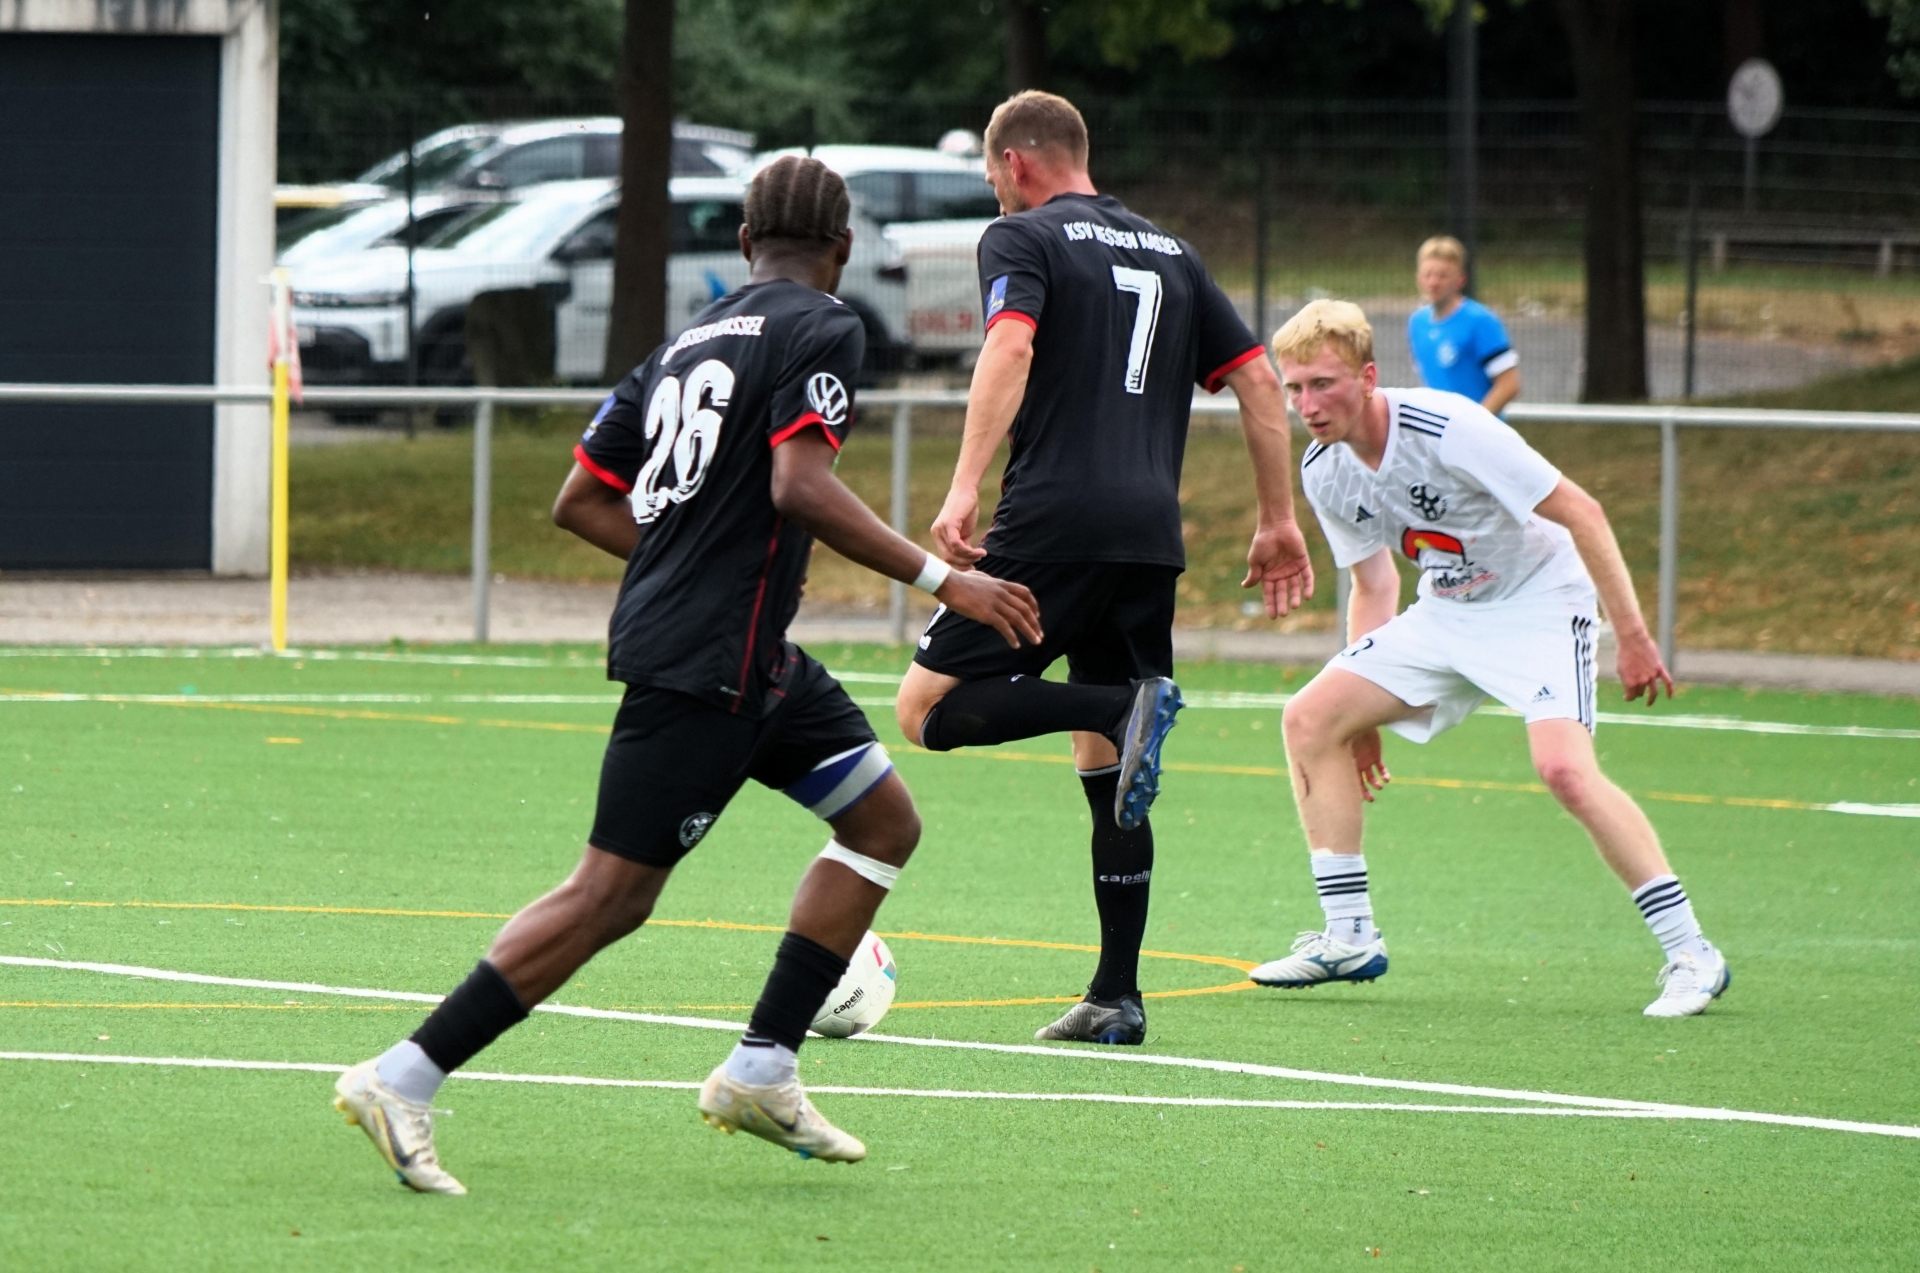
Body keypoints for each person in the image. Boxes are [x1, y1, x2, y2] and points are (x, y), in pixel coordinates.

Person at [331, 157, 1042, 1193]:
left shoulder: (682, 344)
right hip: (707, 659)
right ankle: (403, 1076)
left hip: (757, 659)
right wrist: (947, 581)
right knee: (609, 895)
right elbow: (799, 485)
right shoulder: (824, 324)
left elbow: (581, 498)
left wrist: (687, 557)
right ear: (844, 249)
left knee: (883, 822)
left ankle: (763, 1067)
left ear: (745, 242)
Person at [892, 91, 1315, 1047]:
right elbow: (1257, 379)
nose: (995, 194)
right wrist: (1278, 519)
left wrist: (963, 487)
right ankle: (1116, 996)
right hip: (1147, 534)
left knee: (926, 710)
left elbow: (1009, 342)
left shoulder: (1021, 236)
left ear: (1015, 163)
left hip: (1051, 523)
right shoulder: (1174, 251)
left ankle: (1117, 709)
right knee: (1110, 764)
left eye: (992, 178)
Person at [1249, 299, 1729, 1019]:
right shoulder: (1324, 469)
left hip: (1541, 602)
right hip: (1447, 612)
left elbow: (1584, 511)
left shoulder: (1449, 426)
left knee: (1564, 770)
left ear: (1368, 378)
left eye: (1323, 384)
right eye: (1294, 388)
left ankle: (1693, 952)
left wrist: (1631, 636)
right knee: (1311, 719)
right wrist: (1363, 714)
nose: (1307, 405)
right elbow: (1374, 585)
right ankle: (1348, 935)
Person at [1407, 236, 1521, 415]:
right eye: (1427, 275)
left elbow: (1509, 384)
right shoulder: (1417, 323)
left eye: (1443, 276)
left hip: (1479, 430)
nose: (1433, 282)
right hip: (1443, 430)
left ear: (1460, 279)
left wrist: (1475, 421)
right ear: (1418, 277)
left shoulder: (1480, 321)